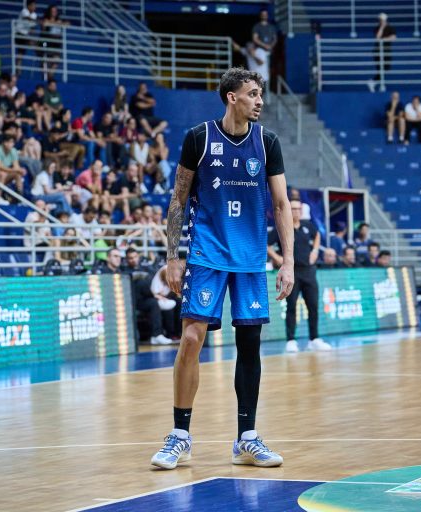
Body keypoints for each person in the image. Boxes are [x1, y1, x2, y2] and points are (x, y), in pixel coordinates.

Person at [150, 67, 294, 471]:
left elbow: (281, 204)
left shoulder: (267, 142)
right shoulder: (199, 138)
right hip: (206, 253)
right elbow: (178, 199)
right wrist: (172, 257)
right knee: (191, 337)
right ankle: (180, 435)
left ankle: (247, 438)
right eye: (253, 94)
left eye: (261, 94)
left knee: (249, 344)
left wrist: (288, 261)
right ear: (232, 97)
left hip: (250, 258)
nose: (260, 101)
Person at [268, 198, 331, 353]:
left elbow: (317, 235)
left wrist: (315, 251)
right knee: (291, 306)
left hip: (309, 272)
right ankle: (291, 340)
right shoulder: (282, 227)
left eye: (298, 209)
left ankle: (314, 339)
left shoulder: (308, 226)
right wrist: (277, 258)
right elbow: (266, 244)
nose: (296, 212)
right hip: (292, 273)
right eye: (293, 209)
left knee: (313, 306)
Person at [368, 12, 395, 92]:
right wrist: (382, 28)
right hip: (378, 51)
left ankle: (373, 82)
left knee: (386, 68)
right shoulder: (377, 28)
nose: (382, 21)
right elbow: (377, 37)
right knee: (380, 68)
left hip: (387, 51)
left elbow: (393, 38)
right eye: (380, 20)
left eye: (383, 20)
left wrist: (383, 39)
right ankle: (379, 84)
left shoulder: (390, 28)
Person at [15, 0, 38, 73]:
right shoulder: (24, 11)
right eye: (33, 5)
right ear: (28, 6)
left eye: (35, 5)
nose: (34, 7)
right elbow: (27, 18)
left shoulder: (34, 15)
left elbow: (32, 28)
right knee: (21, 52)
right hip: (19, 34)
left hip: (26, 35)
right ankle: (18, 68)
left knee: (23, 51)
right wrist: (38, 21)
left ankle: (19, 67)